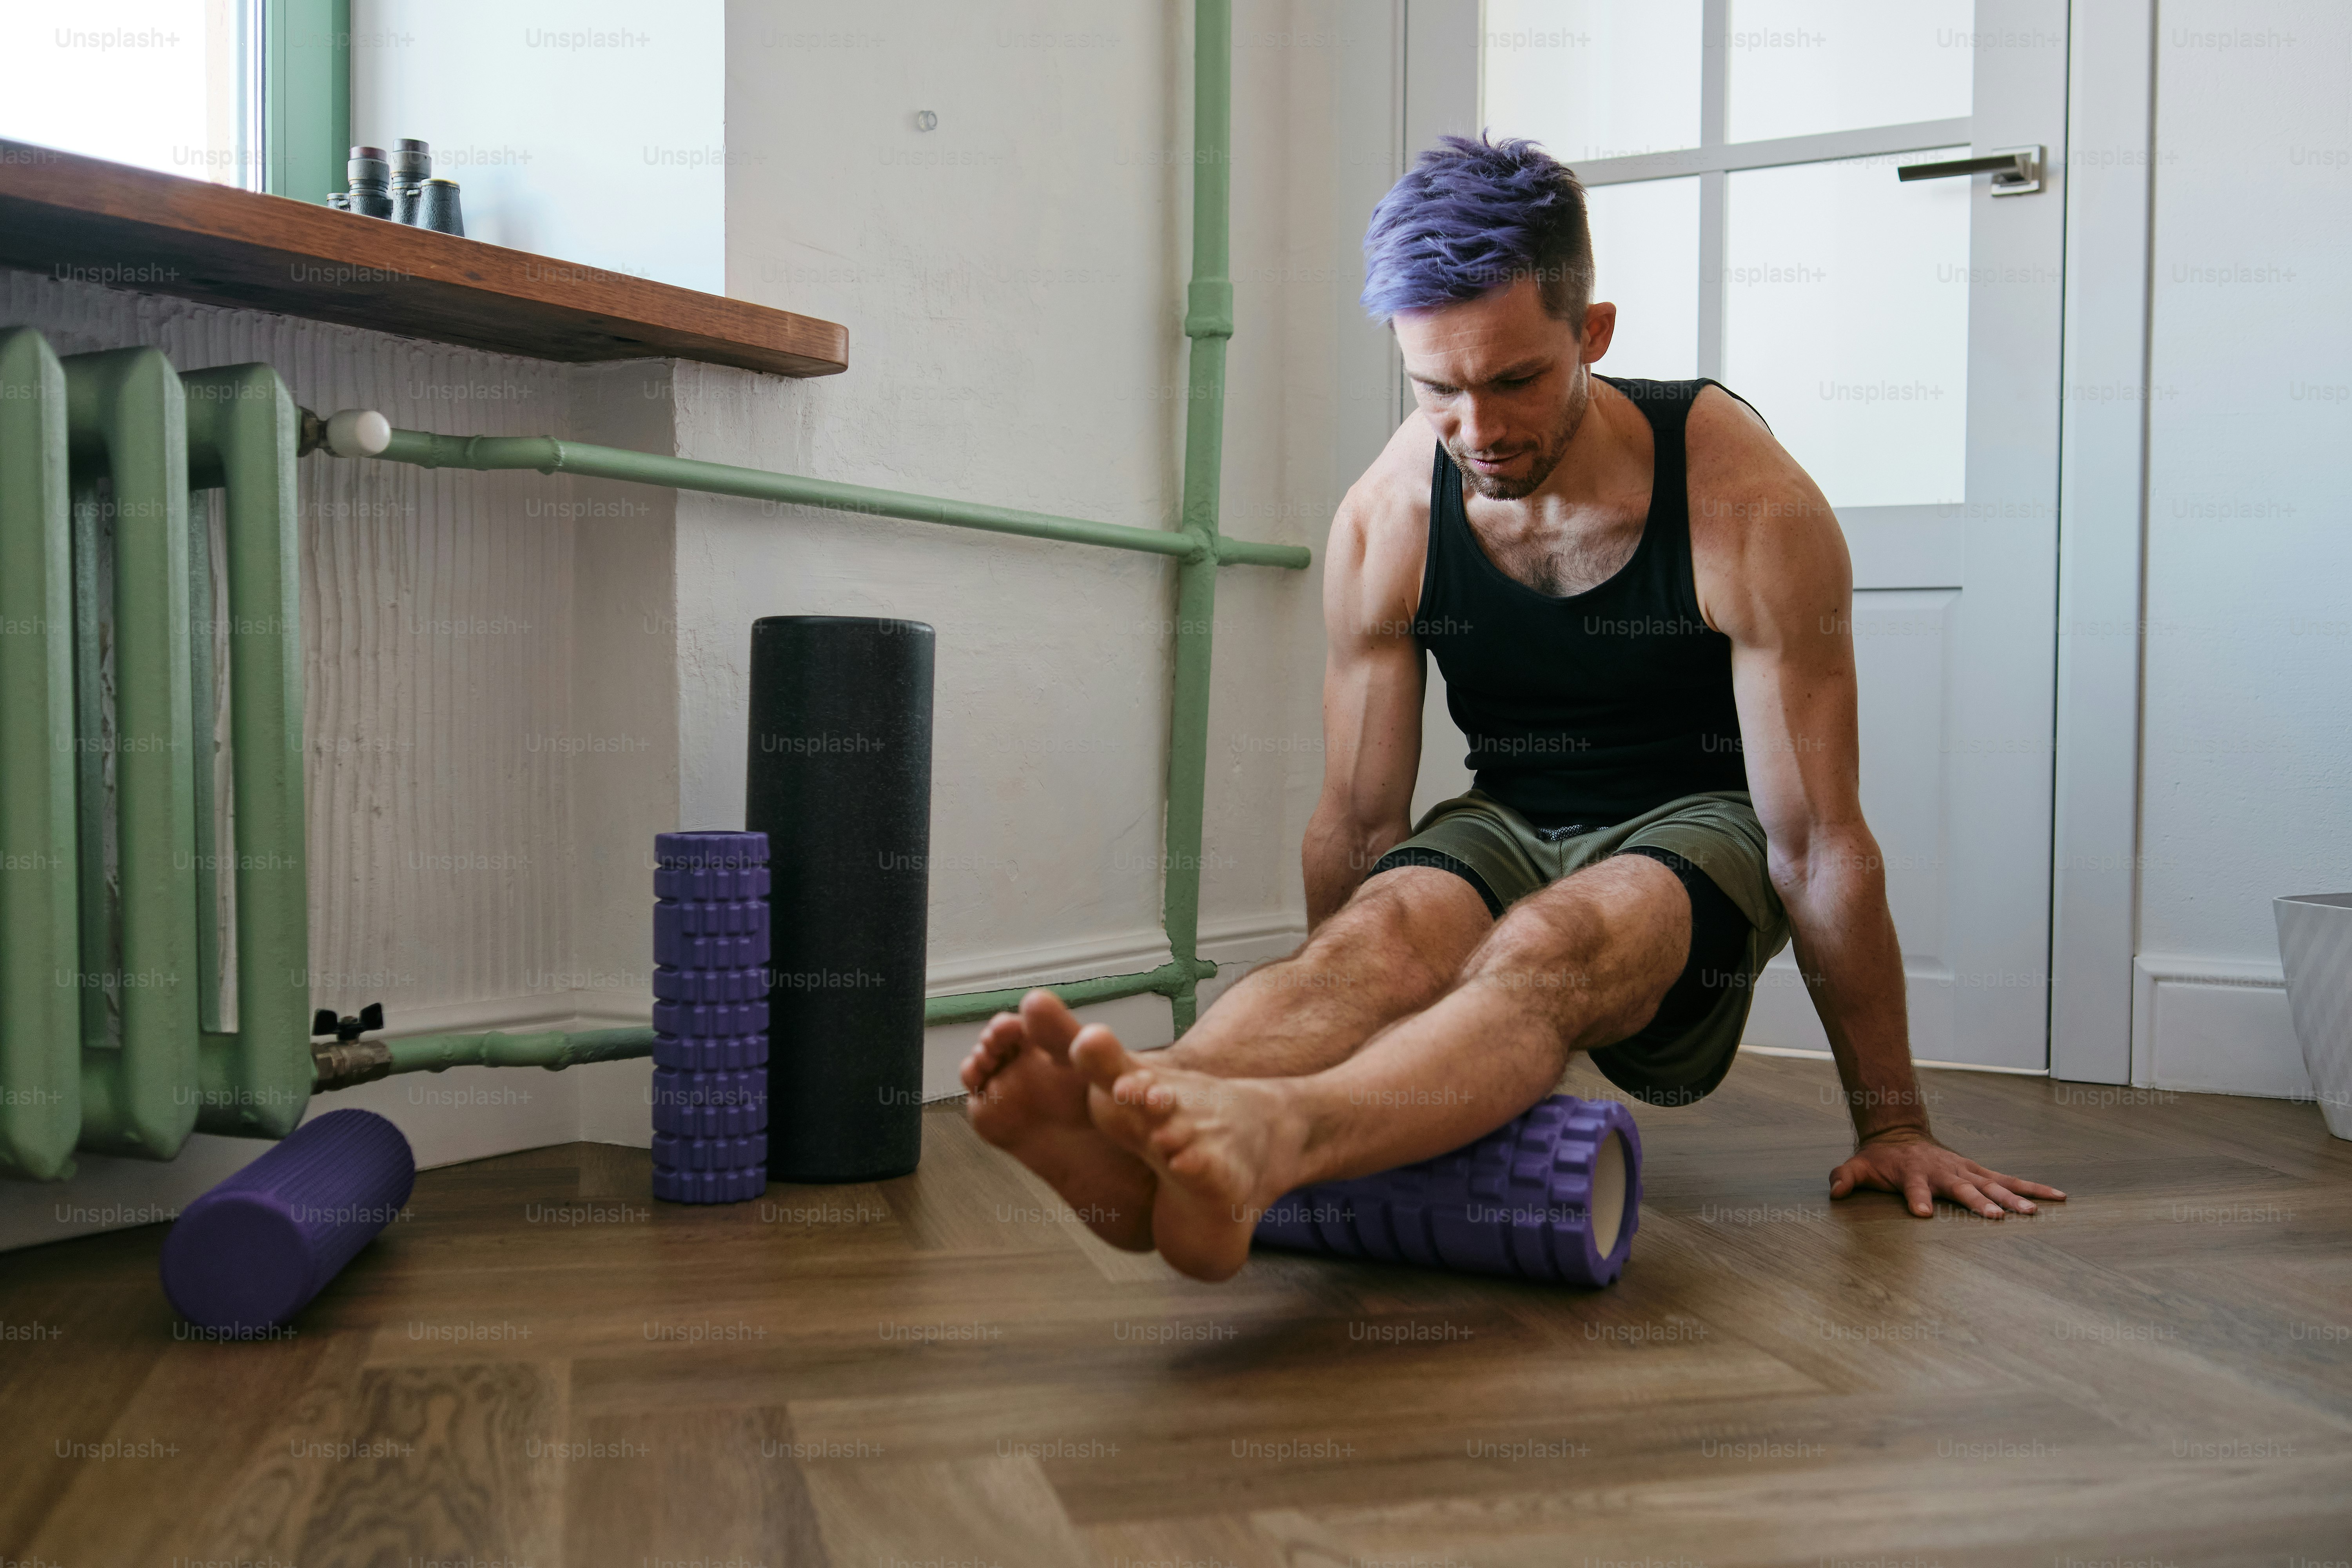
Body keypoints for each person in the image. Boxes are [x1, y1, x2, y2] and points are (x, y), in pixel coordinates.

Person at [962, 134, 2064, 1282]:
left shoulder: (1747, 506)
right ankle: (1161, 1115)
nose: (1478, 429)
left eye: (1515, 379)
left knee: (1551, 939)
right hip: (1510, 814)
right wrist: (1368, 1050)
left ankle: (1277, 1139)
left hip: (1696, 827)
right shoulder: (1386, 518)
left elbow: (1819, 844)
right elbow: (1356, 828)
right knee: (1375, 937)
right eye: (1438, 387)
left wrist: (1891, 1123)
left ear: (1592, 336)